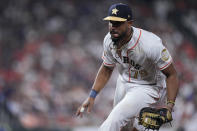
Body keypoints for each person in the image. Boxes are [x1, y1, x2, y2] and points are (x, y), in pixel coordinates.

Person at [76, 3, 179, 131]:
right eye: (111, 22)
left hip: (147, 86)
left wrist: (169, 106)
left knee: (114, 120)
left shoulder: (150, 44)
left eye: (118, 23)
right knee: (126, 128)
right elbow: (107, 68)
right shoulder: (108, 40)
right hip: (124, 82)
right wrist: (92, 95)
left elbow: (172, 74)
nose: (113, 27)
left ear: (129, 23)